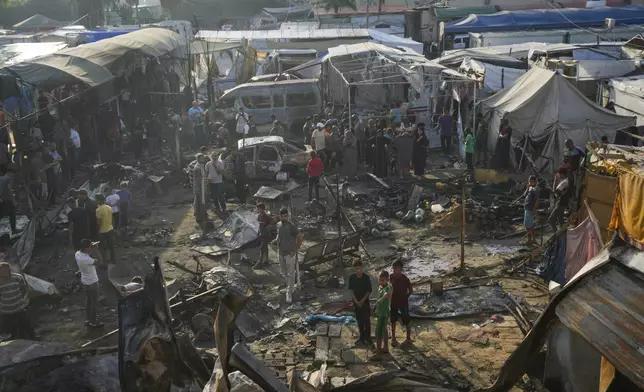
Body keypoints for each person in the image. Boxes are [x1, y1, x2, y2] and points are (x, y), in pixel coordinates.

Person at [275, 208, 303, 304]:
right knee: (283, 271)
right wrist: (277, 240)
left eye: (285, 216)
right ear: (279, 216)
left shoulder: (291, 226)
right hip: (281, 252)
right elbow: (278, 235)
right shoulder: (278, 225)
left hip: (289, 254)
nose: (284, 218)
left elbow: (300, 237)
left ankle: (289, 292)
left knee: (291, 273)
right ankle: (289, 287)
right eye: (282, 216)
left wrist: (295, 250)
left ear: (288, 216)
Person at [0, 262, 34, 339]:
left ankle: (32, 338)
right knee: (11, 328)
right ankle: (15, 340)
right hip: (6, 310)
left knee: (26, 325)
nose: (2, 273)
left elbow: (24, 289)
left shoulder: (17, 277)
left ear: (9, 270)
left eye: (4, 271)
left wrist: (22, 299)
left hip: (19, 307)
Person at [75, 239, 104, 328]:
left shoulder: (77, 254)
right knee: (94, 303)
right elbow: (100, 262)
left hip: (85, 281)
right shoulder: (86, 259)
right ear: (86, 248)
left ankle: (88, 319)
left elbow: (88, 255)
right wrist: (96, 250)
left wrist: (91, 248)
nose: (91, 248)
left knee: (88, 301)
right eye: (90, 247)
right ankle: (93, 322)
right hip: (92, 282)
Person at [348, 259, 373, 347]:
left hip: (365, 302)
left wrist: (362, 301)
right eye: (356, 268)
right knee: (359, 320)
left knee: (367, 320)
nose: (358, 270)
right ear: (354, 269)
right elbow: (351, 291)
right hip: (356, 302)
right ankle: (361, 337)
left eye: (360, 268)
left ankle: (368, 337)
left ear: (363, 268)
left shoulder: (366, 277)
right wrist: (356, 301)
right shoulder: (351, 277)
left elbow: (369, 291)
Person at [390, 259, 412, 347]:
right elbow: (389, 287)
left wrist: (406, 297)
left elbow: (411, 291)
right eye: (393, 268)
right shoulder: (391, 277)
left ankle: (408, 338)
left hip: (403, 303)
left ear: (401, 269)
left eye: (396, 268)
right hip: (393, 302)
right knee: (393, 320)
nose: (394, 270)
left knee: (406, 320)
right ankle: (393, 338)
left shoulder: (405, 279)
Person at [372, 270, 392, 360]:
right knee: (384, 330)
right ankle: (385, 348)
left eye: (383, 280)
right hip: (380, 312)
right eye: (380, 280)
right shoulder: (380, 287)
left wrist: (380, 300)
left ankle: (378, 353)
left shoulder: (388, 287)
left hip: (383, 313)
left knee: (378, 332)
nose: (381, 281)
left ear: (387, 280)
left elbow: (386, 295)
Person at [549, 168, 571, 232]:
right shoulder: (564, 181)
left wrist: (555, 181)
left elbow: (555, 191)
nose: (558, 175)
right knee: (561, 220)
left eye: (559, 174)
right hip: (561, 203)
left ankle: (556, 235)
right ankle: (561, 235)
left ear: (562, 174)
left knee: (551, 220)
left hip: (560, 203)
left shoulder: (564, 182)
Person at [95, 194, 116, 263]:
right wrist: (113, 226)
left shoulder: (98, 210)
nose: (95, 201)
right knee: (111, 246)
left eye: (96, 199)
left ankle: (103, 261)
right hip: (110, 229)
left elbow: (98, 222)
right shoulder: (109, 207)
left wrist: (97, 231)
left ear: (98, 200)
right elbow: (112, 218)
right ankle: (113, 259)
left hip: (102, 231)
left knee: (102, 247)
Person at [254, 203, 273, 269]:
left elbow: (272, 221)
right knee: (265, 247)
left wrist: (268, 227)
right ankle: (266, 260)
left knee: (262, 247)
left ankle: (261, 262)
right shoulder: (258, 216)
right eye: (257, 208)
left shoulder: (266, 216)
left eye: (258, 208)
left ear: (262, 209)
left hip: (266, 234)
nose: (257, 209)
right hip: (260, 234)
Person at [521, 175, 539, 246]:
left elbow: (537, 201)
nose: (530, 182)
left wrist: (534, 209)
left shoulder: (535, 189)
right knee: (527, 226)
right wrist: (527, 188)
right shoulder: (530, 188)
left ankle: (532, 240)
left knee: (530, 226)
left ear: (534, 181)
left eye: (531, 181)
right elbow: (524, 195)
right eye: (529, 181)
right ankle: (530, 240)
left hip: (530, 209)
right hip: (527, 208)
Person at [193, 153, 209, 226]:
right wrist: (205, 180)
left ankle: (203, 214)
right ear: (198, 159)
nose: (203, 159)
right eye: (201, 158)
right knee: (200, 203)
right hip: (199, 187)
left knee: (202, 202)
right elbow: (198, 180)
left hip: (202, 186)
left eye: (203, 158)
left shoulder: (201, 166)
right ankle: (200, 217)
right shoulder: (197, 168)